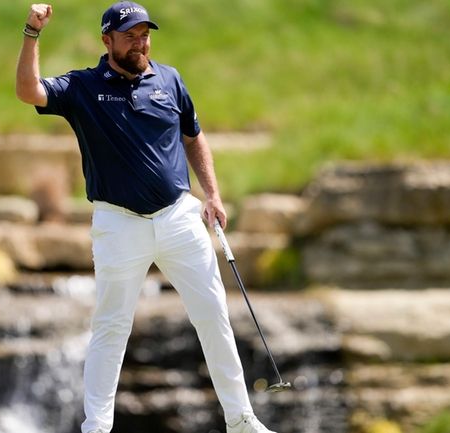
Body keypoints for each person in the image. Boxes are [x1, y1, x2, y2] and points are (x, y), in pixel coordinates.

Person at [15, 2, 278, 433]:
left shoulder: (169, 79)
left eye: (145, 35)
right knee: (111, 327)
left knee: (213, 315)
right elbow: (29, 92)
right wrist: (31, 33)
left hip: (179, 217)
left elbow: (194, 136)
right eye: (130, 36)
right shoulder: (83, 86)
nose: (140, 43)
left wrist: (212, 193)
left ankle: (241, 419)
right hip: (119, 224)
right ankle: (97, 426)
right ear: (107, 40)